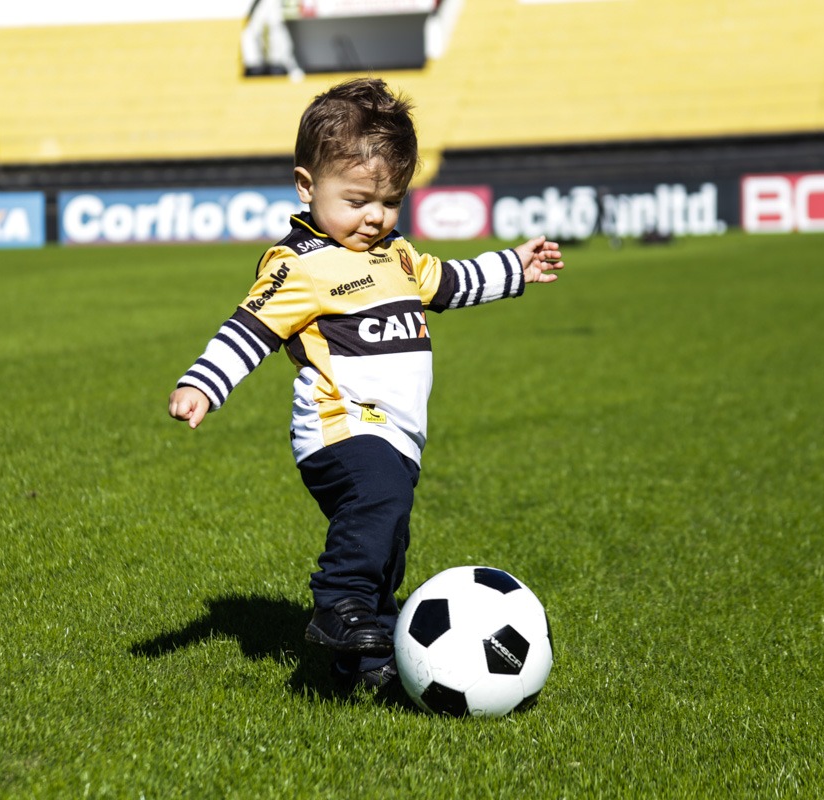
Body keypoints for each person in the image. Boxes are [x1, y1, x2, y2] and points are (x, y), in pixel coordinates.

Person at [168, 78, 563, 691]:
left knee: (389, 541)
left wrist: (514, 266)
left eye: (390, 201)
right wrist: (203, 384)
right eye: (356, 200)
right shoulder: (299, 265)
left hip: (399, 432)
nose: (375, 216)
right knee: (378, 499)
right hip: (341, 425)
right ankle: (337, 602)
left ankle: (366, 660)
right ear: (307, 186)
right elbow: (249, 330)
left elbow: (448, 283)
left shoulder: (396, 253)